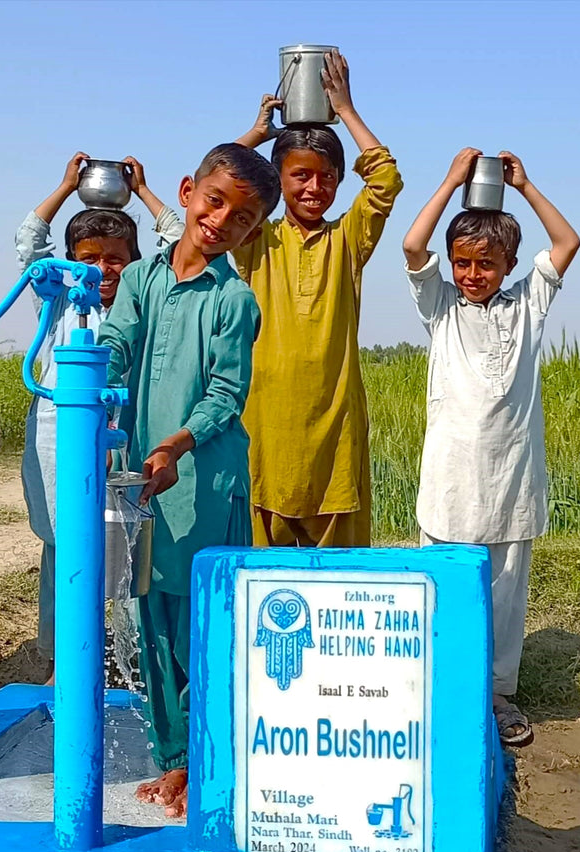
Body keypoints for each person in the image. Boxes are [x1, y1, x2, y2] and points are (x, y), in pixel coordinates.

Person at [98, 143, 280, 817]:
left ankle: (202, 760)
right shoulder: (143, 279)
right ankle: (175, 756)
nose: (222, 220)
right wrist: (93, 372)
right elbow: (117, 342)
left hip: (203, 477)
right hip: (147, 474)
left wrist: (177, 442)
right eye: (215, 201)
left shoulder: (234, 300)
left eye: (242, 216)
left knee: (202, 618)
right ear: (186, 193)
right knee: (152, 616)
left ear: (252, 230)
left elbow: (227, 392)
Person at [403, 148, 579, 748]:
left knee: (505, 596)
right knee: (445, 587)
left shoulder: (528, 306)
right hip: (450, 482)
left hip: (512, 481)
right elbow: (411, 246)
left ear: (507, 265)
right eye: (463, 262)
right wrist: (452, 180)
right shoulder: (442, 307)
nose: (473, 273)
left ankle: (499, 695)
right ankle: (438, 687)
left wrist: (525, 186)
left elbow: (566, 242)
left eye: (486, 263)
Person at [15, 152, 183, 685]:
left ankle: (125, 663)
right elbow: (28, 242)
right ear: (69, 260)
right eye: (90, 257)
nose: (103, 269)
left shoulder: (143, 299)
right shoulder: (60, 300)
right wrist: (67, 185)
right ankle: (61, 656)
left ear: (135, 261)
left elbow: (177, 239)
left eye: (116, 258)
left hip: (122, 432)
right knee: (63, 541)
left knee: (123, 543)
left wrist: (146, 191)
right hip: (57, 432)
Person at [235, 50, 402, 547]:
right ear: (276, 181)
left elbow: (386, 181)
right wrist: (256, 136)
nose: (314, 187)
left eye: (326, 176)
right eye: (299, 176)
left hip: (336, 431)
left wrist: (346, 109)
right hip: (266, 427)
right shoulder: (255, 240)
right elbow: (214, 186)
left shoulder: (347, 241)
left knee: (338, 579)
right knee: (265, 579)